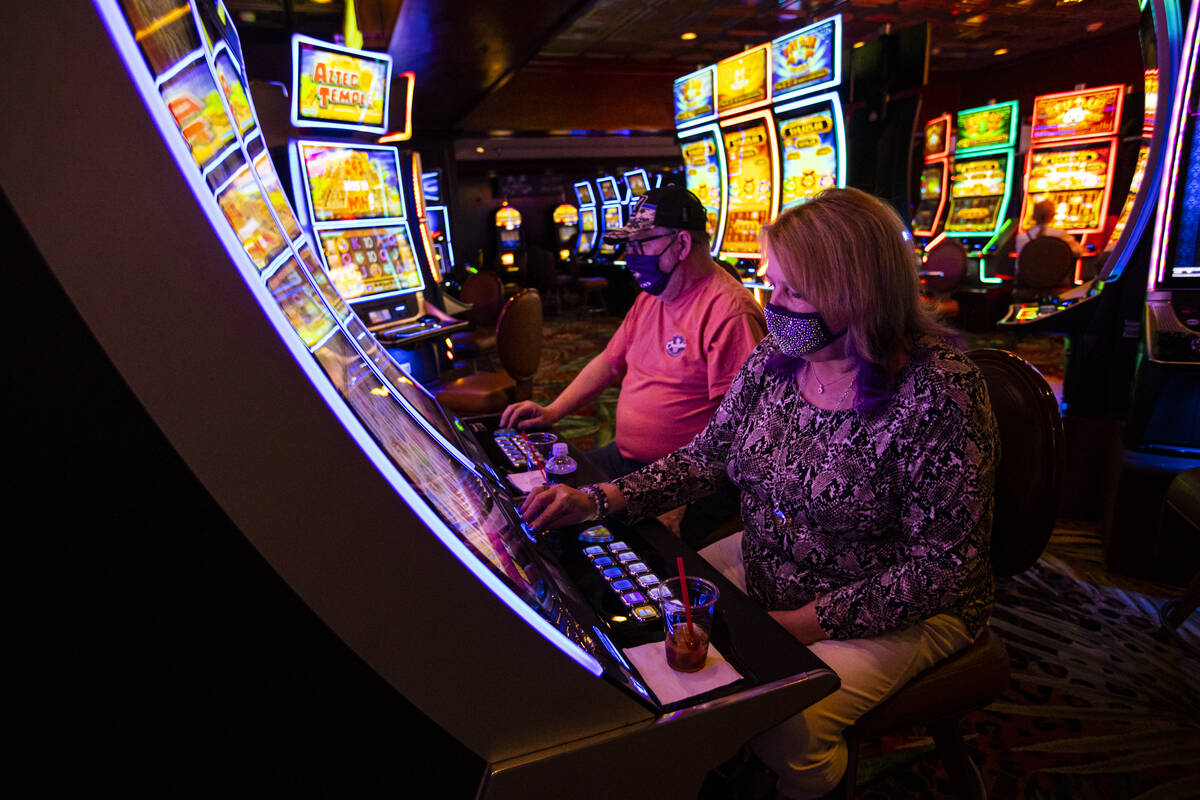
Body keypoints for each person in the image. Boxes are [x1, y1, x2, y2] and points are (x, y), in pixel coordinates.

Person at [520, 187, 999, 799]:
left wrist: (795, 628)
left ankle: (813, 783)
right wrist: (602, 498)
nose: (772, 304)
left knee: (782, 725)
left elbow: (941, 569)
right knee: (648, 610)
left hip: (896, 600)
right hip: (776, 556)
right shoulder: (780, 356)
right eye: (771, 282)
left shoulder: (939, 392)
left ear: (858, 290)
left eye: (793, 291)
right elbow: (709, 454)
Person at [500, 185, 766, 545]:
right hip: (625, 457)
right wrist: (551, 412)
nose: (631, 255)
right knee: (540, 499)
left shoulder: (728, 312)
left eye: (642, 244)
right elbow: (610, 362)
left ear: (683, 244)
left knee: (589, 544)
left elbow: (744, 430)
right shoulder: (652, 297)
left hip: (681, 477)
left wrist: (675, 492)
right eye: (629, 245)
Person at [1015, 198, 1083, 257]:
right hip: (1055, 272)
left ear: (1032, 215)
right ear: (1052, 216)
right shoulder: (1059, 234)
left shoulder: (1021, 238)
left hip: (1027, 272)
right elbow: (1078, 252)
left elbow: (1021, 263)